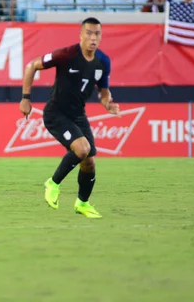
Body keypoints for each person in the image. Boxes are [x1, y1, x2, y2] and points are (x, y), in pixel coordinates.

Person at [20, 17, 120, 219]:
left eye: (97, 34)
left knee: (89, 161)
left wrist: (108, 103)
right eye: (89, 33)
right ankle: (53, 183)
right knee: (82, 149)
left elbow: (103, 92)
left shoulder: (103, 61)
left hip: (78, 114)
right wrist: (25, 98)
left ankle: (82, 204)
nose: (93, 37)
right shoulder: (66, 55)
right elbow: (32, 66)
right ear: (81, 35)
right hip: (56, 113)